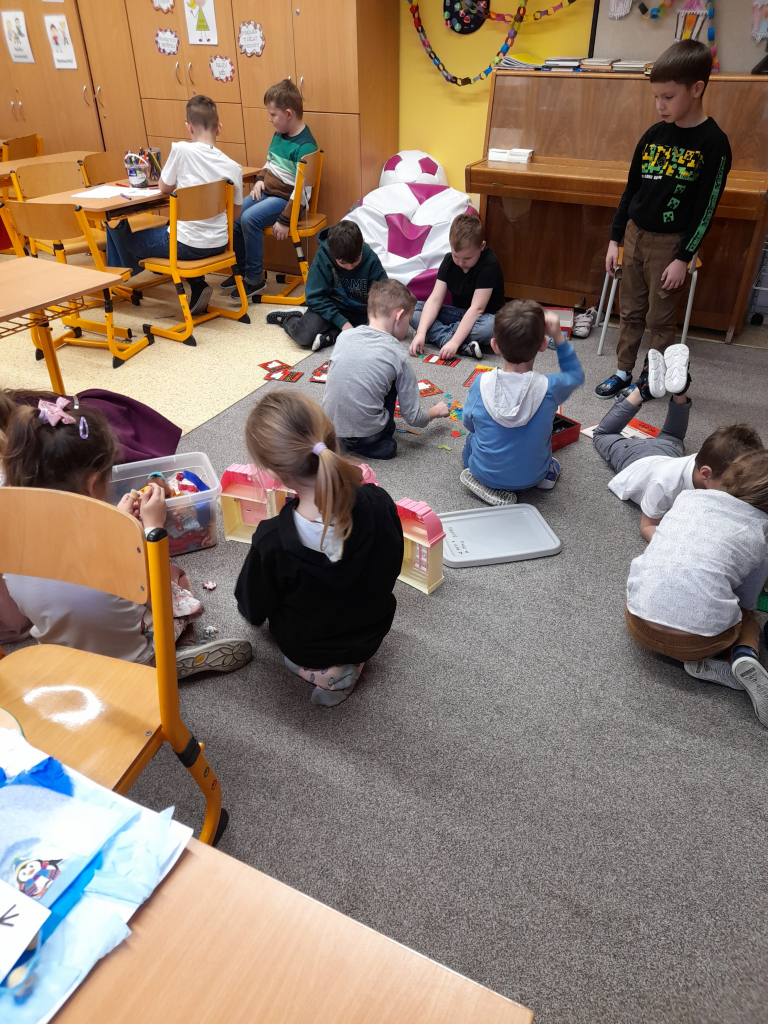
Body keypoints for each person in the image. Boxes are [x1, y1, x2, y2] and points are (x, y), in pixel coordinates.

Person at [1, 398, 252, 678]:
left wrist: (118, 521)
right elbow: (155, 593)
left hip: (64, 658)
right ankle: (170, 659)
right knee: (175, 576)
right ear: (92, 483)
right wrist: (152, 529)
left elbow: (75, 560)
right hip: (133, 661)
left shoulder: (10, 540)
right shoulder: (122, 546)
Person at [234, 392, 404, 707]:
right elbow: (393, 564)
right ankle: (350, 664)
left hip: (306, 648)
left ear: (273, 472)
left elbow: (252, 607)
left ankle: (320, 673)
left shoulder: (272, 540)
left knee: (286, 644)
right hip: (371, 633)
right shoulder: (379, 501)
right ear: (331, 439)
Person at [595, 39, 732, 400]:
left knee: (659, 318)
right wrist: (615, 239)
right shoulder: (653, 135)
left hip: (670, 245)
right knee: (630, 311)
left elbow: (706, 209)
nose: (660, 105)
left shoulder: (714, 143)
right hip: (635, 235)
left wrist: (683, 258)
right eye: (656, 97)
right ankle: (623, 370)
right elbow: (631, 190)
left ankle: (651, 378)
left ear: (697, 89)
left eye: (668, 97)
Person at [625, 449, 768, 727]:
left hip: (639, 625)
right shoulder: (761, 530)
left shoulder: (688, 498)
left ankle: (702, 657)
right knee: (748, 619)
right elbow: (747, 600)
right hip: (699, 642)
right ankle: (742, 655)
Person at [106, 95, 243, 317]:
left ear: (189, 127)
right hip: (220, 243)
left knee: (128, 239)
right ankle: (197, 284)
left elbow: (164, 186)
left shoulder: (181, 150)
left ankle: (118, 281)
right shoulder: (233, 167)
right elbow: (235, 215)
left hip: (188, 244)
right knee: (173, 225)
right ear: (219, 128)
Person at [595, 373, 763, 539]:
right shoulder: (664, 486)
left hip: (669, 452)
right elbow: (647, 527)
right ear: (706, 474)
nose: (736, 492)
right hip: (636, 459)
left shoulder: (713, 466)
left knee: (673, 437)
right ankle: (640, 391)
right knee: (602, 434)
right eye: (730, 487)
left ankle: (679, 390)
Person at [460, 300, 584, 505]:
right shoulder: (549, 387)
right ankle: (545, 477)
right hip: (533, 477)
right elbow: (575, 375)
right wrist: (558, 337)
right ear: (543, 345)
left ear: (495, 346)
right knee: (540, 443)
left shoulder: (481, 383)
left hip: (487, 475)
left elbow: (468, 422)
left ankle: (479, 481)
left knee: (470, 441)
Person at [323, 279, 449, 460]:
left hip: (329, 429)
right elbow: (413, 417)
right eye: (409, 320)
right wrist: (436, 411)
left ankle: (344, 443)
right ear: (399, 316)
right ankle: (367, 442)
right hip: (365, 436)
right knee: (389, 446)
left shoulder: (344, 336)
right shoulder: (398, 354)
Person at [225, 79, 316, 298]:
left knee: (249, 219)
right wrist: (259, 180)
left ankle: (254, 279)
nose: (270, 119)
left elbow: (304, 192)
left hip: (285, 200)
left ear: (288, 114)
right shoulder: (279, 135)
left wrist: (286, 220)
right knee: (235, 214)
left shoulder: (306, 146)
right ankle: (242, 271)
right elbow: (270, 163)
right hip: (267, 192)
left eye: (273, 114)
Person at [266, 220, 387, 351]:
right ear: (331, 250)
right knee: (303, 336)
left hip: (360, 314)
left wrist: (369, 328)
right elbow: (314, 297)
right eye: (343, 263)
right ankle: (290, 318)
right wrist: (342, 322)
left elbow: (381, 298)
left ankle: (333, 335)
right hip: (329, 310)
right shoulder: (323, 256)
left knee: (381, 332)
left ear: (362, 243)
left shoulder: (371, 260)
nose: (350, 267)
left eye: (356, 260)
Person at [409, 213, 506, 360]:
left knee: (492, 327)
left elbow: (476, 309)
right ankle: (457, 343)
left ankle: (441, 336)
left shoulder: (489, 265)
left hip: (484, 317)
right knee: (412, 310)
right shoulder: (448, 262)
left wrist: (454, 342)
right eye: (456, 256)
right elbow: (435, 300)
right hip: (457, 315)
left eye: (467, 258)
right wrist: (421, 333)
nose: (461, 263)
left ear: (482, 246)